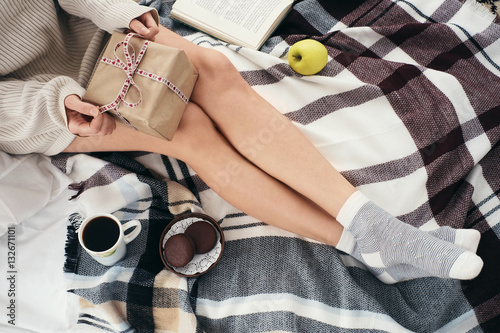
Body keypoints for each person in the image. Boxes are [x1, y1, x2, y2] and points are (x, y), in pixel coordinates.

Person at [0, 0, 483, 284]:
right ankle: (364, 243)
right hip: (51, 107)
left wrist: (119, 12)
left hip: (105, 35)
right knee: (189, 131)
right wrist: (56, 106)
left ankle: (373, 228)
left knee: (211, 68)